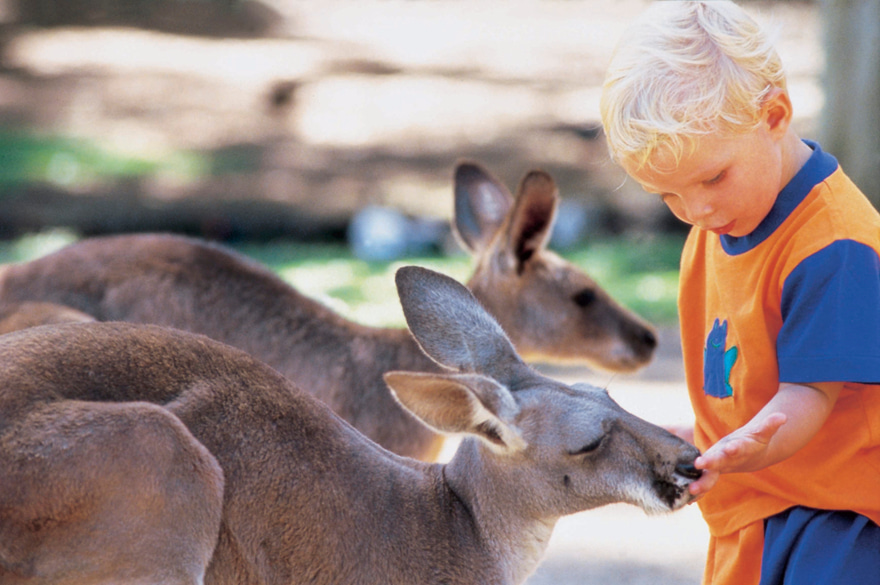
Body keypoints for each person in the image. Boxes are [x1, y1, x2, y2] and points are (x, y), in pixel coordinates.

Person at [599, 2, 880, 584]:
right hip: (756, 504)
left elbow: (809, 394)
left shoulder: (833, 246)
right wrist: (710, 439)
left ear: (773, 114)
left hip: (838, 522)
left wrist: (751, 442)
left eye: (712, 177)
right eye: (668, 196)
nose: (695, 209)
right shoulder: (719, 224)